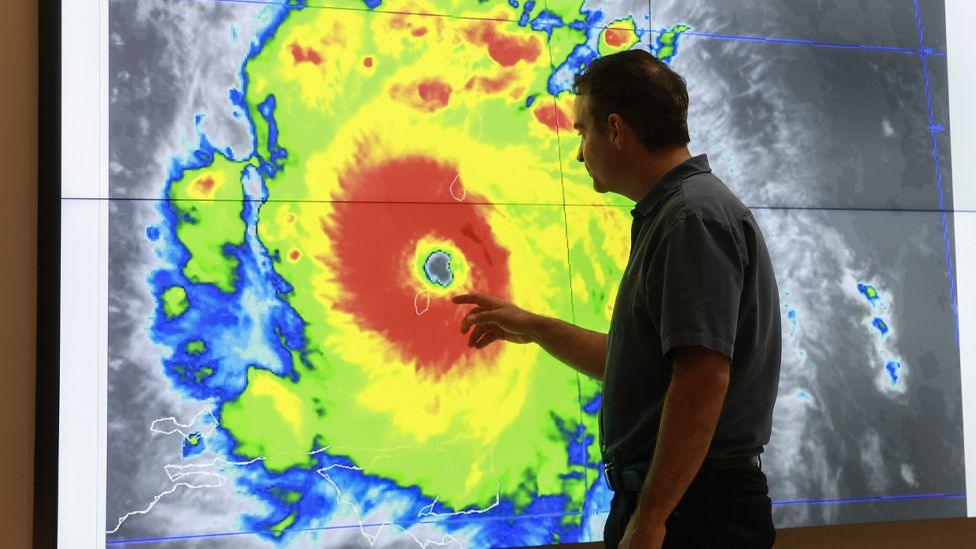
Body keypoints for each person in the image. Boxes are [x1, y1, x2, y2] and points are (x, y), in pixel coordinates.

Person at [452, 49, 781, 549]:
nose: (579, 153)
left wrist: (651, 520)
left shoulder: (691, 219)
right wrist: (534, 326)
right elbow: (640, 366)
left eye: (582, 132)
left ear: (616, 129)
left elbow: (701, 377)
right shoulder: (676, 215)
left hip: (693, 513)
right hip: (680, 504)